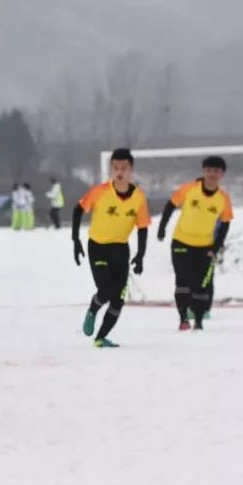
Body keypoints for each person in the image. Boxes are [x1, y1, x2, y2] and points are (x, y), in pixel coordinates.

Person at [72, 148, 150, 348]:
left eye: (124, 168)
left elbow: (142, 227)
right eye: (115, 168)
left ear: (131, 170)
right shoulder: (100, 192)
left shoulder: (139, 197)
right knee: (105, 290)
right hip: (98, 247)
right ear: (111, 169)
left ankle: (100, 338)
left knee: (118, 299)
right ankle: (93, 310)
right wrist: (76, 240)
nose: (119, 172)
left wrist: (140, 255)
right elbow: (78, 210)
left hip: (120, 250)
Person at [157, 155, 234, 330]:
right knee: (182, 282)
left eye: (216, 171)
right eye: (208, 170)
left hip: (204, 246)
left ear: (222, 174)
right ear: (203, 171)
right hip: (181, 242)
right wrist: (162, 228)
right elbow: (170, 206)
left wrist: (216, 247)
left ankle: (198, 321)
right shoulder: (189, 189)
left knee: (201, 286)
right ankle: (183, 318)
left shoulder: (223, 199)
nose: (212, 174)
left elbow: (225, 224)